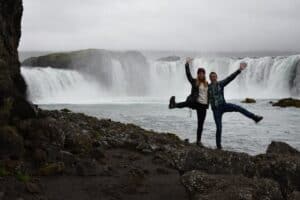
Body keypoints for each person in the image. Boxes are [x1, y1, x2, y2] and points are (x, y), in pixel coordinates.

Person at [208, 62, 263, 149]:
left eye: (215, 76)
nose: (214, 78)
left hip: (224, 105)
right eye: (212, 77)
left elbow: (230, 78)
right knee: (219, 127)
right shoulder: (208, 87)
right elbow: (204, 98)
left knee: (239, 108)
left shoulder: (220, 84)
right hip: (216, 110)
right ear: (210, 78)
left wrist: (239, 70)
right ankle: (218, 146)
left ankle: (255, 117)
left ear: (216, 77)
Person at [169, 58, 208, 146]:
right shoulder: (194, 81)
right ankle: (174, 105)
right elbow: (188, 75)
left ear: (204, 74)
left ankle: (198, 141)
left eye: (202, 73)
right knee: (188, 103)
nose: (201, 74)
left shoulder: (206, 84)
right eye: (199, 73)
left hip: (203, 106)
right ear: (198, 74)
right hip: (195, 102)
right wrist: (187, 65)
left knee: (200, 124)